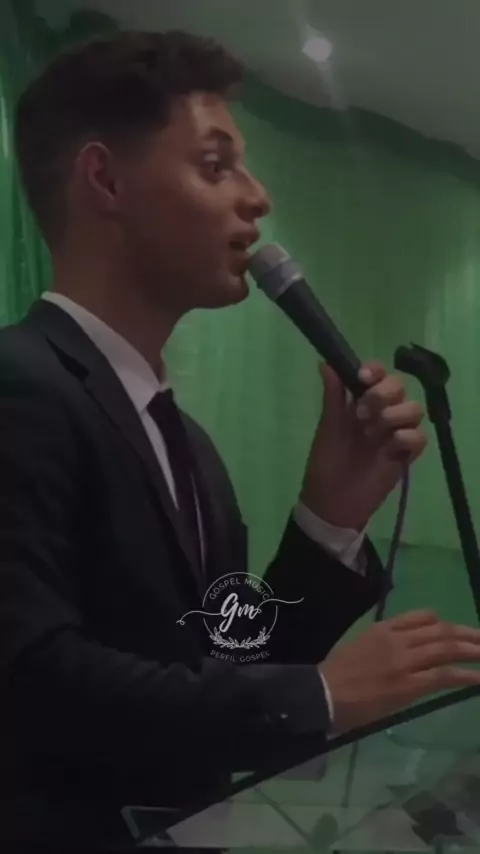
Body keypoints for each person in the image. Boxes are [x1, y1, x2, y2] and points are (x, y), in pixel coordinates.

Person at [2, 30, 480, 817]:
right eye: (215, 165)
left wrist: (329, 519)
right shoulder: (18, 384)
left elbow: (230, 661)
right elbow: (29, 681)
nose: (258, 198)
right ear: (106, 181)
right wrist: (320, 696)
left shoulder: (190, 448)